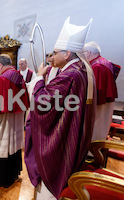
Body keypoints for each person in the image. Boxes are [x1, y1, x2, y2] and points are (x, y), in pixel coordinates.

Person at [24, 17, 96, 199]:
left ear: (67, 53)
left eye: (55, 53)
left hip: (61, 140)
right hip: (73, 131)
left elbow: (43, 103)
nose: (51, 57)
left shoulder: (70, 74)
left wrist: (40, 78)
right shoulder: (82, 68)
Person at [0, 54, 29, 188]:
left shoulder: (2, 80)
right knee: (13, 147)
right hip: (16, 121)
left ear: (1, 65)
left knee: (2, 147)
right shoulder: (19, 76)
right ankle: (13, 174)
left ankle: (2, 178)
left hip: (3, 123)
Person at [83, 41, 118, 142]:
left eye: (83, 52)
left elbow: (95, 90)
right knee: (101, 125)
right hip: (105, 100)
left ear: (88, 52)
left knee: (96, 125)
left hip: (99, 102)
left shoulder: (97, 66)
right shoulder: (102, 62)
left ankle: (93, 151)